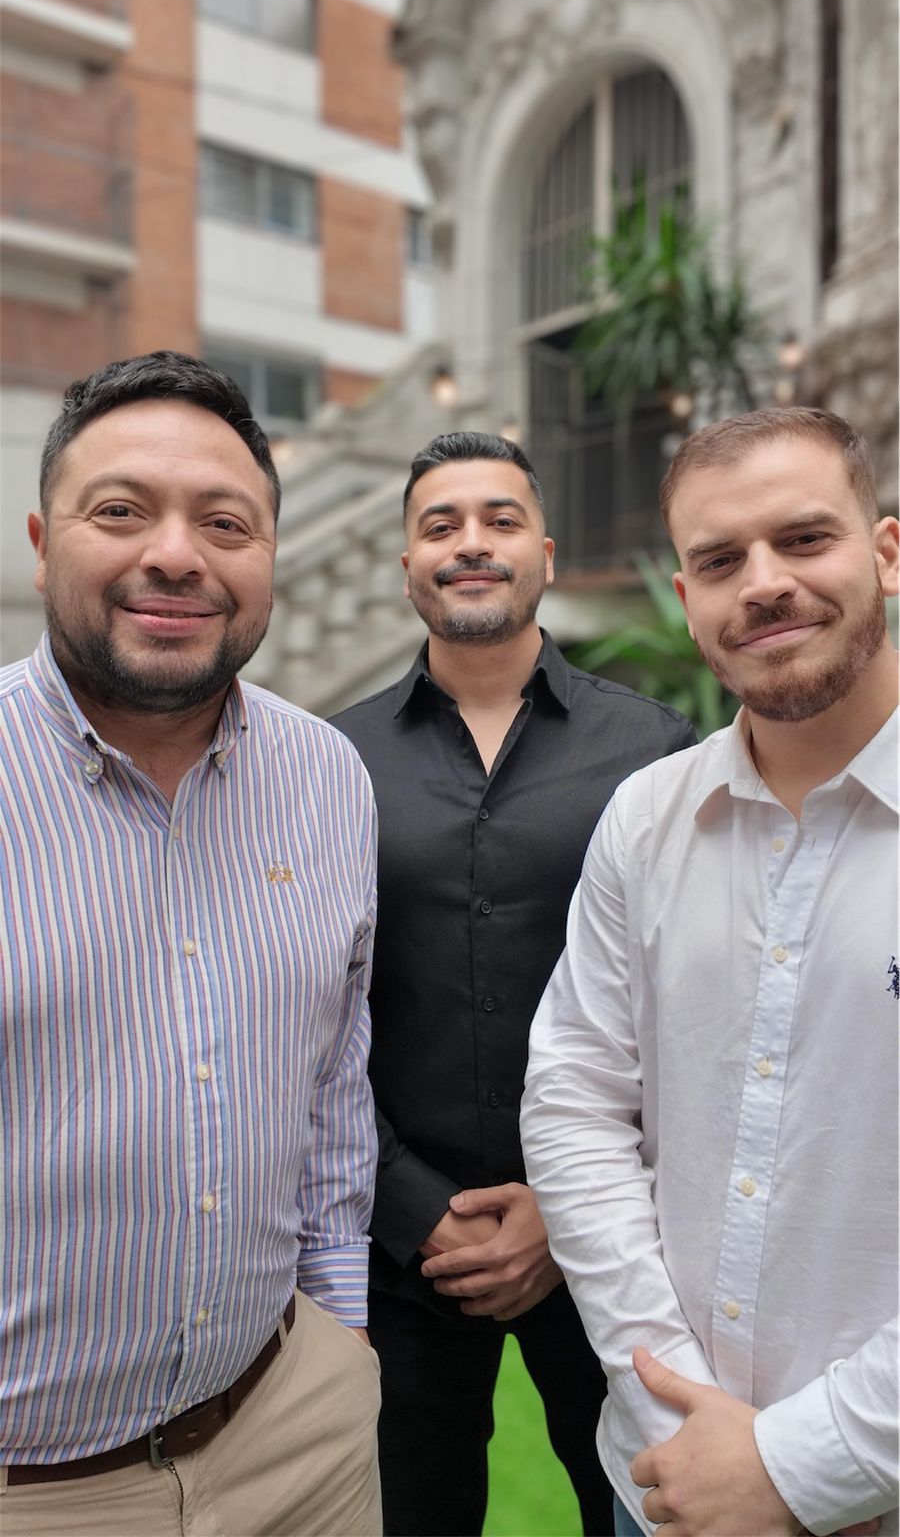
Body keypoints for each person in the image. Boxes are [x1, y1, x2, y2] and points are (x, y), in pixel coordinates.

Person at [0, 352, 382, 1537]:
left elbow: (332, 1073)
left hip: (297, 1431)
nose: (177, 555)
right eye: (121, 511)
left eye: (226, 523)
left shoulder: (326, 775)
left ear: (268, 555)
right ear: (41, 541)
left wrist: (343, 1328)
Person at [521, 407, 899, 1537]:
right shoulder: (647, 818)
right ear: (687, 600)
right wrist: (677, 1409)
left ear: (886, 553)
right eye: (722, 561)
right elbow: (577, 1102)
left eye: (805, 539)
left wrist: (798, 1465)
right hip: (668, 1482)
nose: (766, 583)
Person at [331, 430, 695, 1536]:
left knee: (640, 1507)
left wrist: (566, 1204)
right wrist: (414, 1207)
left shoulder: (657, 752)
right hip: (401, 1244)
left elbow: (687, 1012)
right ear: (407, 562)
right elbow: (307, 1015)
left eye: (499, 519)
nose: (470, 544)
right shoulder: (329, 762)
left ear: (544, 550)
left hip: (610, 1236)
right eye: (440, 525)